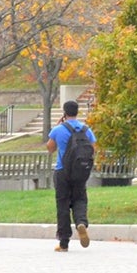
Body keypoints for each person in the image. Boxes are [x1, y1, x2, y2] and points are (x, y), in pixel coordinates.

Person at [47, 100, 96, 251]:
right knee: (80, 198)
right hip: (80, 172)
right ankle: (81, 222)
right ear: (77, 111)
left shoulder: (58, 129)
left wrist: (57, 127)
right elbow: (93, 149)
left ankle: (64, 243)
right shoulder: (86, 129)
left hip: (62, 171)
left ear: (64, 112)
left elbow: (50, 148)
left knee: (62, 204)